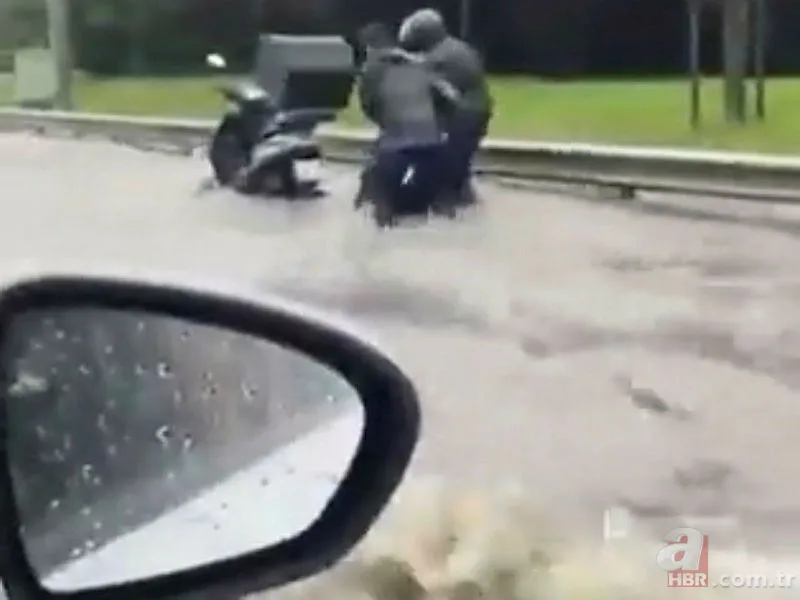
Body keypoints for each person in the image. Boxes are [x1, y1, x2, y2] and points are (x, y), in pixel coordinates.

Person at [355, 21, 447, 225]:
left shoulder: (373, 69)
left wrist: (387, 123)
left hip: (397, 143)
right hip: (432, 141)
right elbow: (443, 96)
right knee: (428, 198)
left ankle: (381, 223)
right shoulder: (419, 63)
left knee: (377, 186)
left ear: (369, 47)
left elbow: (369, 105)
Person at [398, 9, 493, 205]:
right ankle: (460, 192)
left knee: (444, 158)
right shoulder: (456, 48)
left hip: (464, 116)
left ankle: (448, 198)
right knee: (456, 160)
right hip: (475, 111)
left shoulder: (439, 57)